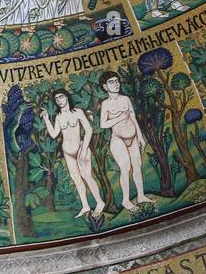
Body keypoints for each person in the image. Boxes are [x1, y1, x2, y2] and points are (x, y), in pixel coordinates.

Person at [39, 90, 105, 218]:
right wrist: (47, 119)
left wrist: (84, 150)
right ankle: (85, 206)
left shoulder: (78, 112)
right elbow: (53, 134)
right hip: (68, 152)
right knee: (76, 179)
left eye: (61, 96)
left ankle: (100, 203)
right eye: (56, 98)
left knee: (87, 176)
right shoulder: (58, 117)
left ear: (67, 97)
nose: (59, 100)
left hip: (81, 149)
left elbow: (89, 130)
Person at [98, 73, 152, 212]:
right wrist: (120, 118)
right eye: (111, 82)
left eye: (117, 81)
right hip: (118, 139)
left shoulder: (126, 99)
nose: (116, 84)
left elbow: (133, 116)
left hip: (133, 137)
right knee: (125, 167)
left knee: (137, 166)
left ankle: (141, 196)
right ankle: (126, 200)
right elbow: (103, 124)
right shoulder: (106, 104)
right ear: (105, 86)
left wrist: (140, 136)